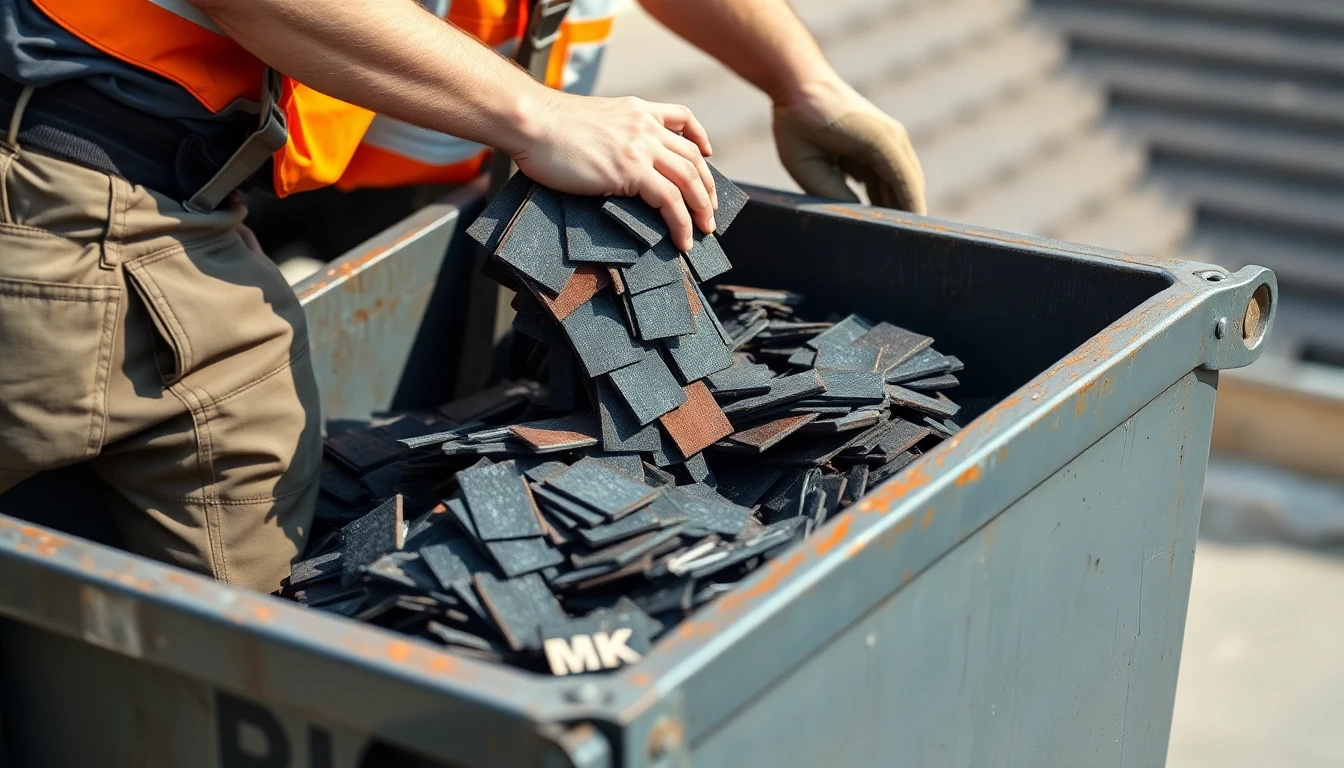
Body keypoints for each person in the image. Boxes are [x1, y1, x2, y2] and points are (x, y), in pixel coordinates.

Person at [0, 0, 926, 593]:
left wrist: (801, 80)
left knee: (261, 527)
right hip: (78, 173)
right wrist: (538, 115)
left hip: (207, 181)